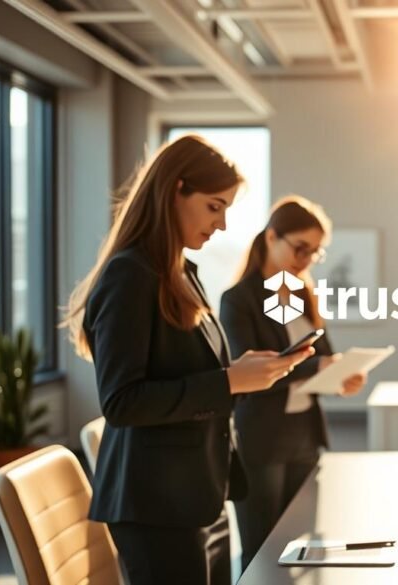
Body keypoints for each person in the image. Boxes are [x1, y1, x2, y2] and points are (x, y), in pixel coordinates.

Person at [64, 135, 313, 585]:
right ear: (175, 190)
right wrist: (229, 382)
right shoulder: (130, 274)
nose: (222, 224)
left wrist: (242, 374)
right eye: (214, 207)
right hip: (156, 504)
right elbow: (122, 402)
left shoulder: (180, 273)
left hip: (199, 492)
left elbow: (194, 376)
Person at [220, 195, 366, 568]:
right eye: (301, 248)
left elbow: (324, 356)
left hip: (305, 431)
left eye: (315, 252)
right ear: (272, 237)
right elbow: (251, 371)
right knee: (262, 549)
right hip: (262, 436)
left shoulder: (302, 293)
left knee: (301, 546)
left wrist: (339, 378)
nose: (307, 259)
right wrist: (316, 367)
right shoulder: (239, 299)